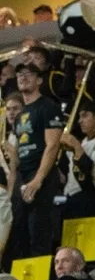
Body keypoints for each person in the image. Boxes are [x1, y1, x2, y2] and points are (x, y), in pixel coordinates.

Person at [9, 60, 63, 259]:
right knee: (18, 233)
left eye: (29, 74)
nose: (23, 77)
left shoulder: (48, 107)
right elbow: (18, 152)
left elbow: (53, 145)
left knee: (39, 233)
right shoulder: (21, 112)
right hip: (23, 175)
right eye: (20, 74)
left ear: (40, 80)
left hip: (41, 175)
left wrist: (38, 180)